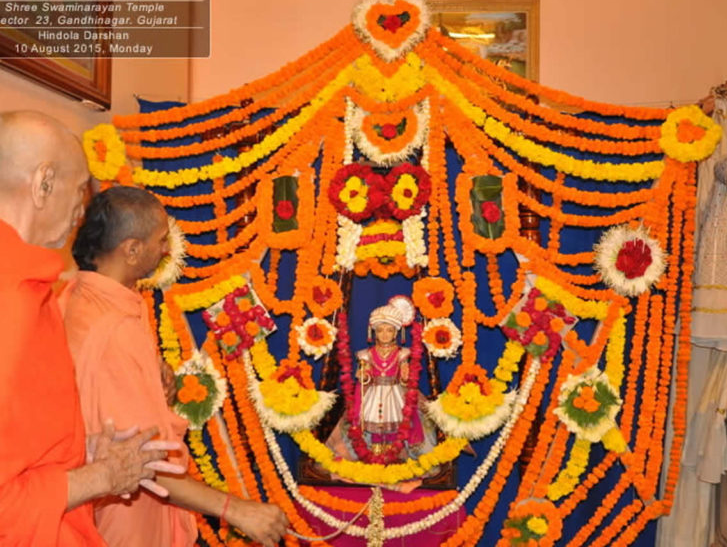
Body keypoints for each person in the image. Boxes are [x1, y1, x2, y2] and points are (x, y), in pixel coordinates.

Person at [62, 185, 289, 547]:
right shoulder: (113, 328)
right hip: (126, 520)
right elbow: (142, 459)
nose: (166, 249)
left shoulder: (81, 297)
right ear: (132, 249)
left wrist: (151, 377)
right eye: (161, 239)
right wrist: (236, 509)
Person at [0, 111, 183, 545]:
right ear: (44, 182)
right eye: (81, 189)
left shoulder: (34, 284)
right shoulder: (11, 295)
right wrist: (99, 476)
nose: (83, 211)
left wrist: (82, 455)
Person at [327, 296, 437, 464]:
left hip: (395, 393)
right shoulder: (365, 354)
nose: (384, 334)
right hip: (373, 394)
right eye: (380, 330)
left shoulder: (403, 354)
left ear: (397, 332)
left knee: (399, 421)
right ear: (373, 332)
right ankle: (373, 451)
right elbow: (363, 379)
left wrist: (405, 376)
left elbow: (405, 380)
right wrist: (364, 375)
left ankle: (394, 452)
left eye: (389, 330)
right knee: (370, 423)